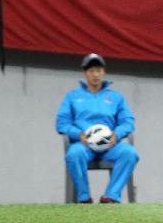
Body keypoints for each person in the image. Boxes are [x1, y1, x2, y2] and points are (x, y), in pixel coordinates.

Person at [56, 53, 139, 204]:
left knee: (130, 153)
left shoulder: (116, 97)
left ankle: (110, 197)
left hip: (110, 146)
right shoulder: (72, 97)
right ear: (85, 73)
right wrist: (78, 134)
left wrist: (117, 134)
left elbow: (128, 121)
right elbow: (62, 123)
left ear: (104, 73)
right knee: (73, 154)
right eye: (91, 71)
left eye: (99, 70)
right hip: (84, 145)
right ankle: (84, 198)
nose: (95, 74)